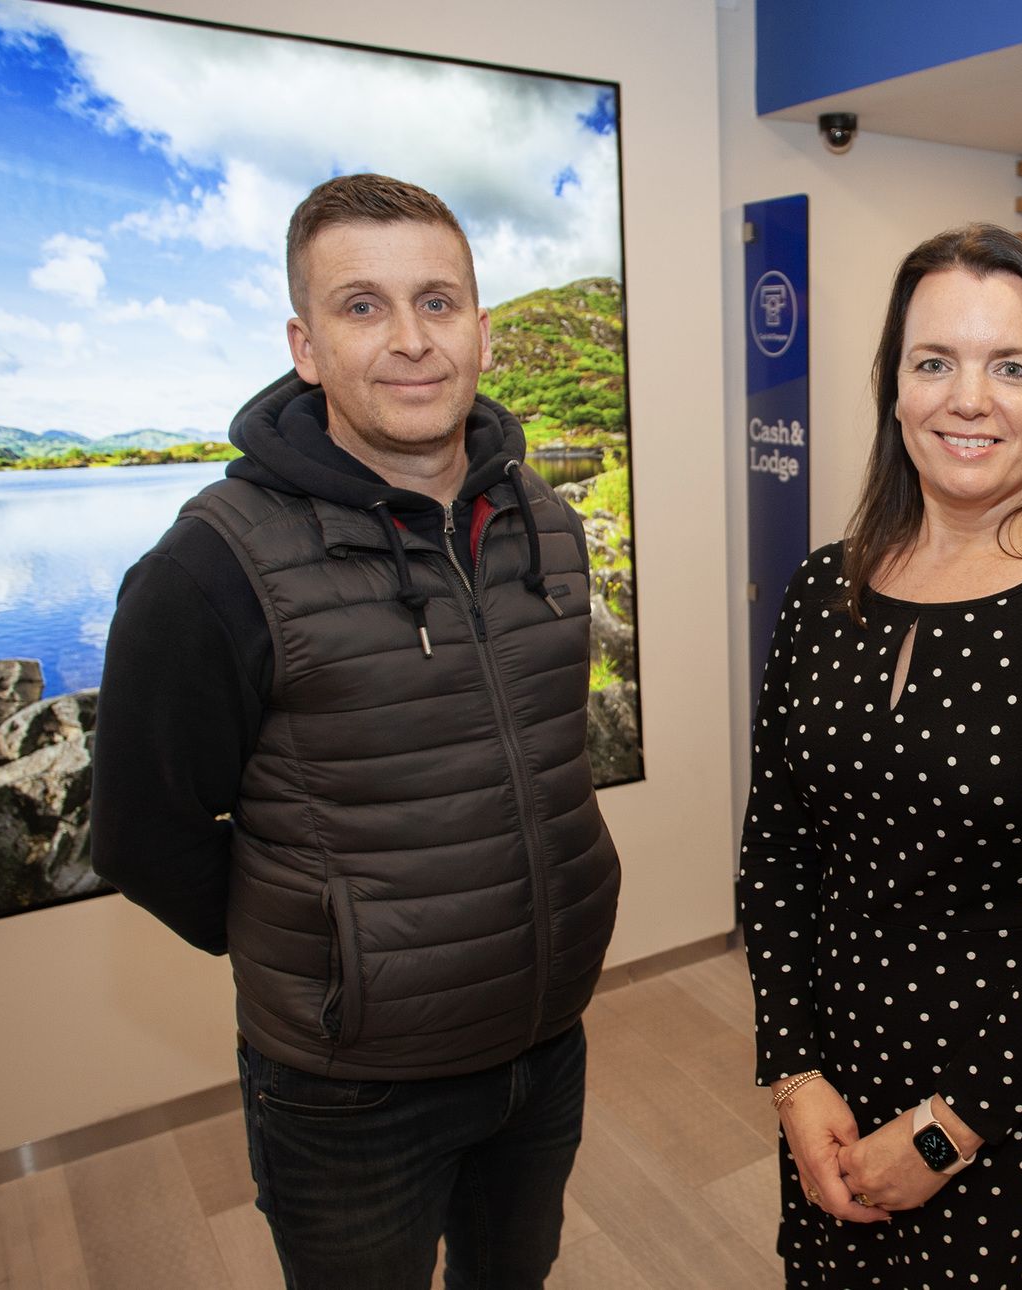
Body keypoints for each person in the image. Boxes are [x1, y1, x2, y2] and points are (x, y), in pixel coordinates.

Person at [90, 173, 619, 1289]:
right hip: (349, 1090)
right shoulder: (209, 568)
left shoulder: (548, 525)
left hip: (542, 1040)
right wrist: (336, 953)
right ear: (307, 344)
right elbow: (146, 837)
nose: (410, 341)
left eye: (436, 302)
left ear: (480, 331)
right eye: (362, 306)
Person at [739, 223, 1022, 1286]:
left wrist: (948, 1131)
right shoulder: (818, 592)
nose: (967, 399)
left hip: (1018, 1129)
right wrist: (793, 1073)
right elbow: (776, 855)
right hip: (835, 1108)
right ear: (892, 386)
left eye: (1009, 367)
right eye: (933, 362)